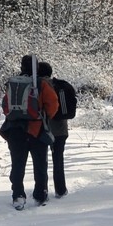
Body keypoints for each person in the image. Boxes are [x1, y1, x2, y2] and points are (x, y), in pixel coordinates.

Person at [0, 54, 59, 209]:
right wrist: (43, 116)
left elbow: (6, 106)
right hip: (36, 130)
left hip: (14, 131)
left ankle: (18, 195)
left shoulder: (13, 83)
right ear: (37, 67)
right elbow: (53, 104)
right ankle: (40, 194)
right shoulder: (41, 84)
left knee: (17, 164)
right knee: (40, 164)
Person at [39, 61, 72, 198]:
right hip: (60, 128)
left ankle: (42, 189)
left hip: (42, 128)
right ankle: (60, 189)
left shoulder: (38, 86)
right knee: (58, 159)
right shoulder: (59, 85)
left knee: (41, 160)